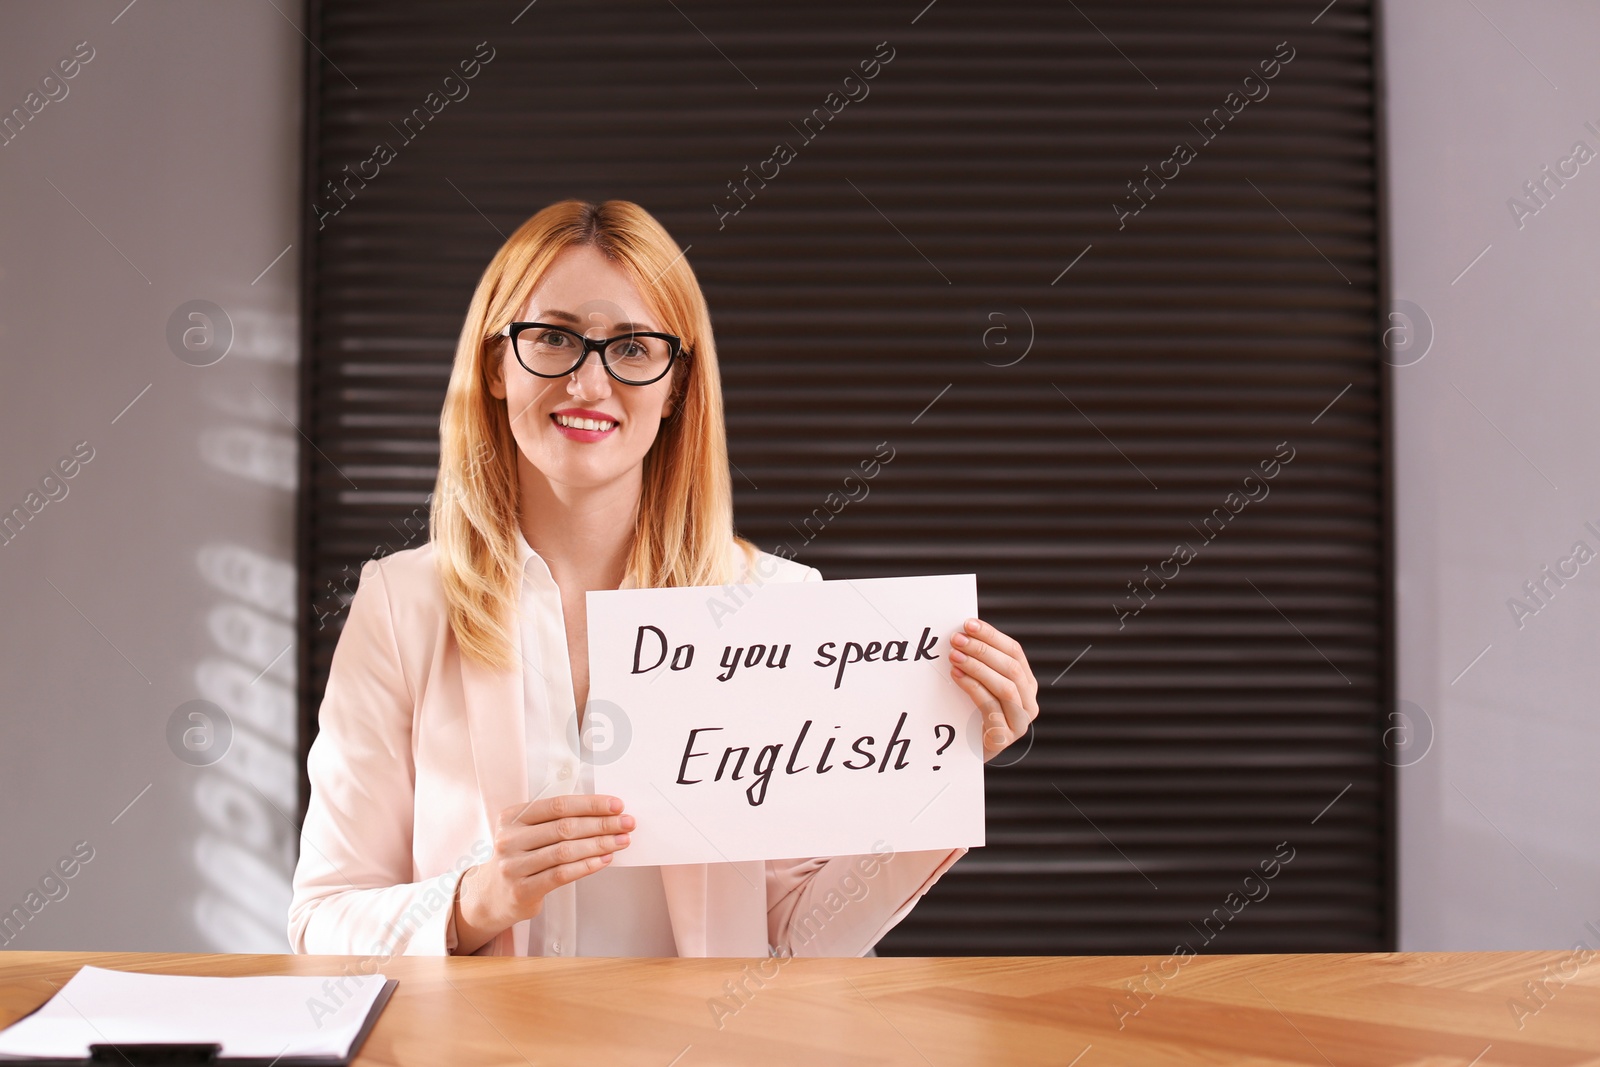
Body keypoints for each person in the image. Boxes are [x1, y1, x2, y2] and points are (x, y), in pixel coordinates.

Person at [287, 199, 1040, 959]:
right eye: (552, 338)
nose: (588, 383)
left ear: (677, 384)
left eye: (634, 348)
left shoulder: (772, 609)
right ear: (494, 363)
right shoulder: (400, 606)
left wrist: (933, 772)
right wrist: (476, 900)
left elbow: (795, 940)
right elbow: (321, 921)